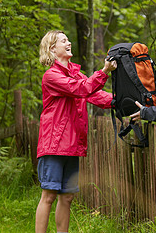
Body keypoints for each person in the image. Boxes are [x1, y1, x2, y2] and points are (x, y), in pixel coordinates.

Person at [35, 30, 117, 233]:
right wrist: (104, 71)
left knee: (68, 196)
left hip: (71, 146)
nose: (69, 42)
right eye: (64, 41)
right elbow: (80, 89)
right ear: (53, 48)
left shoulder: (76, 75)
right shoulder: (51, 76)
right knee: (49, 196)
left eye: (69, 39)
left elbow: (95, 94)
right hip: (54, 145)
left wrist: (121, 102)